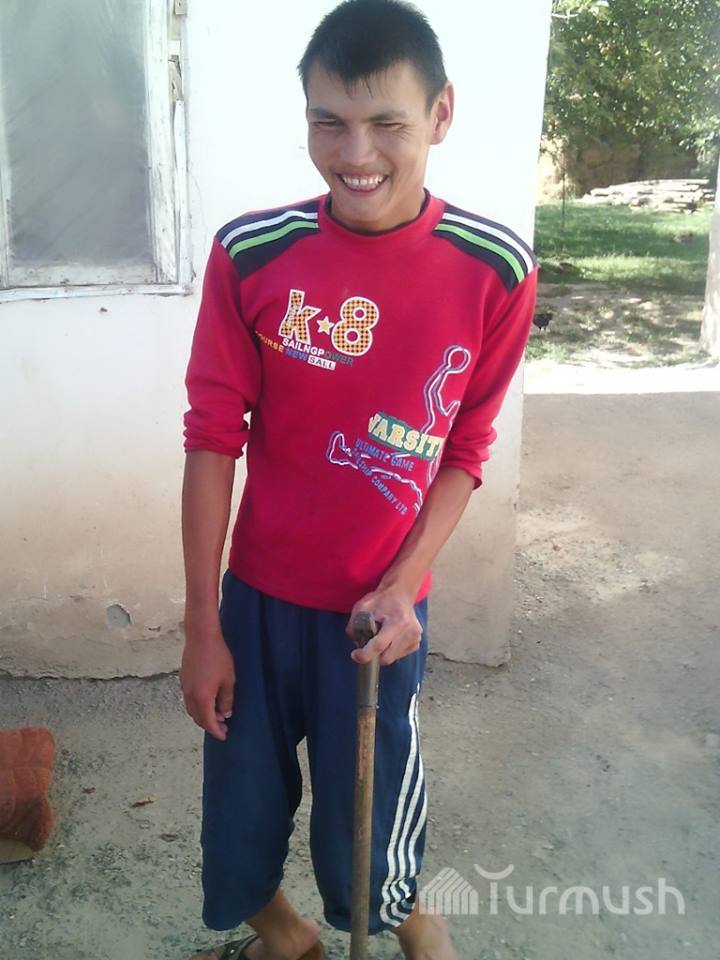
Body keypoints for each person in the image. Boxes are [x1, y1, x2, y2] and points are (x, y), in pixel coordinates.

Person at [180, 1, 538, 958]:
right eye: (328, 122)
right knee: (238, 822)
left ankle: (420, 933)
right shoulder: (251, 255)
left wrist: (404, 584)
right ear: (305, 118)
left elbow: (464, 450)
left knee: (370, 837)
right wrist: (204, 624)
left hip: (379, 617)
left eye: (387, 123)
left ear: (441, 114)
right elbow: (211, 441)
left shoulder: (495, 269)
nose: (356, 153)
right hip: (256, 604)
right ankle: (285, 936)